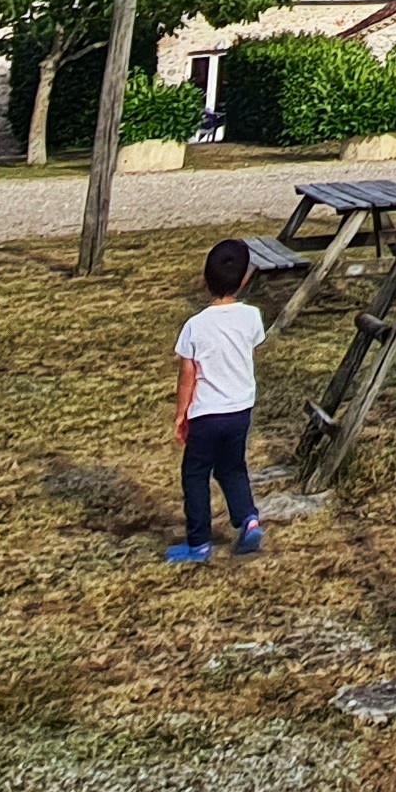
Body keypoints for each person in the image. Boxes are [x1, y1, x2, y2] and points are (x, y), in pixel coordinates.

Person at [166, 236, 266, 564]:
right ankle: (248, 518)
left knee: (195, 474)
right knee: (232, 467)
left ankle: (199, 543)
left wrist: (182, 415)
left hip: (206, 414)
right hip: (240, 410)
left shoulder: (195, 326)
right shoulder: (252, 317)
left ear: (204, 279)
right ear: (245, 279)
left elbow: (188, 376)